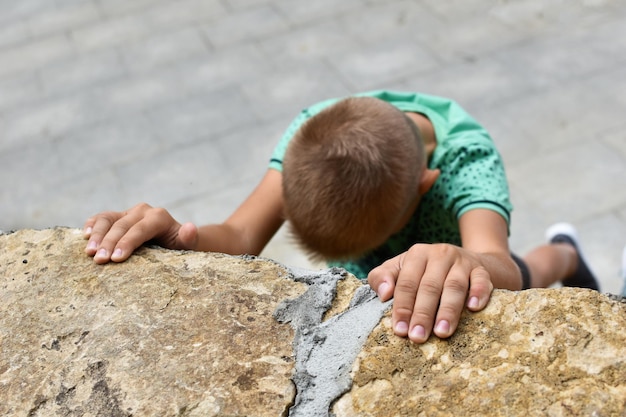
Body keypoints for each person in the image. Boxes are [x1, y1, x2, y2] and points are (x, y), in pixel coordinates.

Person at [83, 90, 599, 344]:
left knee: (531, 275)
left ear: (426, 185)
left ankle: (568, 253)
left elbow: (494, 257)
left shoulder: (466, 161)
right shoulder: (314, 138)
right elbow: (241, 234)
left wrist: (461, 257)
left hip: (456, 254)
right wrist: (182, 238)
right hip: (377, 269)